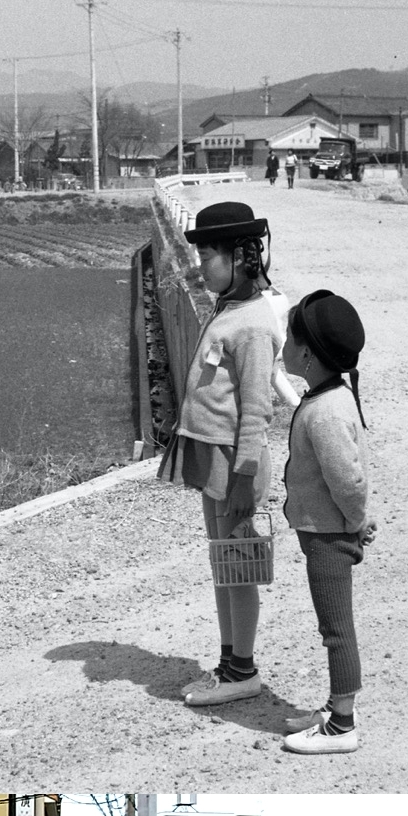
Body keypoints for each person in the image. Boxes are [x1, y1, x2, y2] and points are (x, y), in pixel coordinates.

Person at [158, 201, 285, 707]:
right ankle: (230, 663)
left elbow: (257, 412)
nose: (199, 266)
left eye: (207, 256)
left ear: (242, 257)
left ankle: (242, 670)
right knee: (223, 564)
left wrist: (242, 478)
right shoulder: (229, 308)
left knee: (238, 567)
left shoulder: (252, 324)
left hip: (236, 464)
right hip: (216, 458)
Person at [277, 290, 375, 755]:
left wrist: (355, 524)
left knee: (337, 628)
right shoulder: (328, 395)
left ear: (308, 355)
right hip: (324, 531)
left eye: (291, 337)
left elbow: (348, 482)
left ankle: (343, 724)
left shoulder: (327, 411)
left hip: (329, 535)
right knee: (332, 625)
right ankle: (336, 708)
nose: (284, 342)